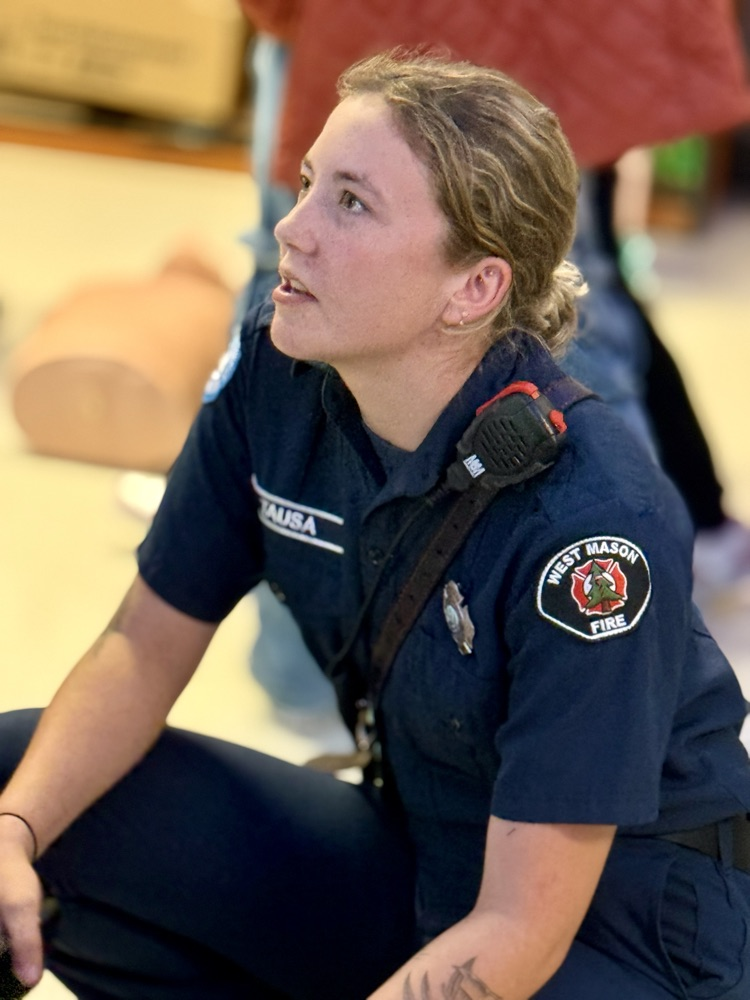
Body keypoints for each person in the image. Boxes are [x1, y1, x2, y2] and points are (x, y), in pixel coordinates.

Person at [2, 50, 750, 999]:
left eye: (351, 203)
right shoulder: (278, 379)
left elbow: (519, 929)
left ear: (473, 288)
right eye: (309, 184)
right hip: (430, 849)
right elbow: (143, 645)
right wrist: (14, 829)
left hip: (623, 928)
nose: (293, 229)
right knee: (26, 775)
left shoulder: (593, 523)